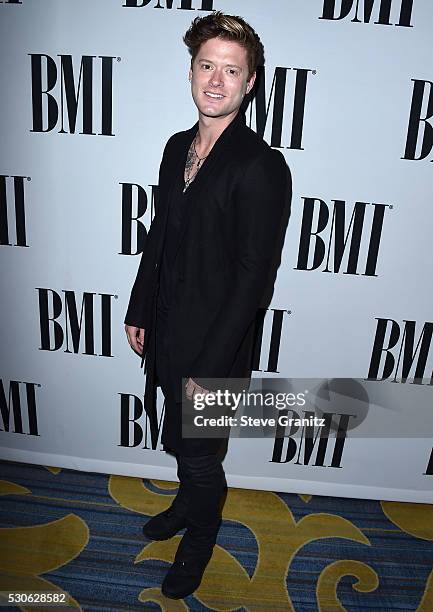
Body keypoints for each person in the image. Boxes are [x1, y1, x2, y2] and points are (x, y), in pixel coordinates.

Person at [124, 11, 292, 600]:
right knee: (182, 442)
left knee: (201, 459)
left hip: (214, 347)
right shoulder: (176, 148)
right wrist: (140, 308)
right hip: (167, 330)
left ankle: (199, 542)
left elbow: (253, 281)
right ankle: (182, 508)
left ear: (250, 83)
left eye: (231, 71)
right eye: (206, 66)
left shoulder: (263, 166)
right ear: (192, 71)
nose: (216, 81)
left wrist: (210, 371)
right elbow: (160, 236)